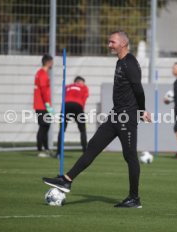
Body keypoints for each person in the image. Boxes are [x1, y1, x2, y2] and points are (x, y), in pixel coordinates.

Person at [43, 31, 151, 208]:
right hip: (115, 115)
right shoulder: (120, 62)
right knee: (93, 146)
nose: (109, 45)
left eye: (112, 42)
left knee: (130, 156)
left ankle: (134, 198)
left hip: (127, 117)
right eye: (109, 42)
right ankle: (67, 180)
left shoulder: (130, 63)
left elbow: (138, 90)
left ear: (123, 44)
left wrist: (142, 110)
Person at [56, 76, 89, 158]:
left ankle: (58, 153)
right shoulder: (84, 87)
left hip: (66, 105)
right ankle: (85, 152)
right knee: (82, 130)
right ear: (80, 82)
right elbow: (84, 99)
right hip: (78, 105)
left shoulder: (67, 86)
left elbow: (64, 98)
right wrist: (81, 114)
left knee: (62, 129)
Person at [33, 54, 54, 158]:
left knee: (46, 126)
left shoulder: (39, 73)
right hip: (42, 106)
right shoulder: (43, 74)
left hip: (40, 105)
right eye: (52, 62)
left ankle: (46, 149)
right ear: (48, 62)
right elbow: (44, 91)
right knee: (43, 127)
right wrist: (48, 105)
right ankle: (40, 150)